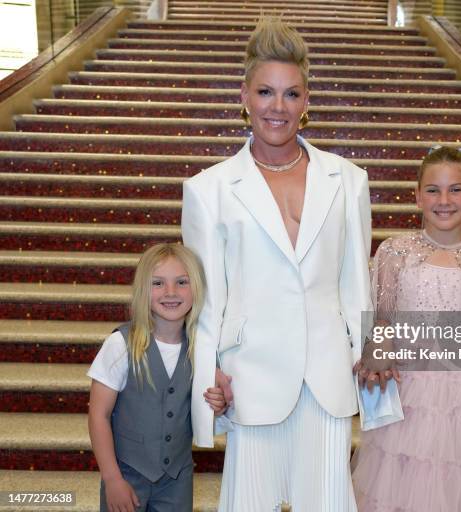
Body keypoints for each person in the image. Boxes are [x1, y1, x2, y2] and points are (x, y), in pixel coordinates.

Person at [181, 17, 372, 512]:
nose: (277, 107)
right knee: (249, 502)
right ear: (243, 94)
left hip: (328, 372)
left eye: (291, 94)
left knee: (329, 502)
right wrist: (210, 375)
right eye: (266, 91)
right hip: (250, 375)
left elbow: (358, 286)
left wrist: (373, 353)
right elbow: (206, 303)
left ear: (306, 102)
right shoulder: (209, 190)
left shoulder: (348, 180)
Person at [352, 146, 461, 511]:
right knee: (402, 489)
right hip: (407, 396)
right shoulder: (394, 254)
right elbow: (381, 319)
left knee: (458, 490)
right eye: (433, 190)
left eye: (456, 189)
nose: (444, 200)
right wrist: (377, 352)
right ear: (416, 195)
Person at [87, 243, 227, 512]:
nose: (171, 292)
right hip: (127, 474)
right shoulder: (121, 344)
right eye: (158, 283)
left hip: (177, 478)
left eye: (182, 282)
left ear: (197, 288)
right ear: (143, 290)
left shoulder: (202, 350)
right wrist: (112, 478)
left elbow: (203, 408)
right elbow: (98, 415)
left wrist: (217, 405)